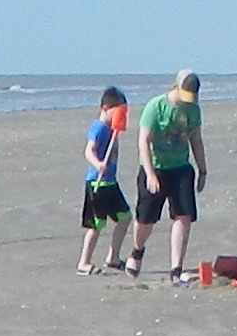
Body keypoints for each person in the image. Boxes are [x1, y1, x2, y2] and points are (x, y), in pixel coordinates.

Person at [141, 69, 203, 276]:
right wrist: (150, 173)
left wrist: (202, 169)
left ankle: (176, 268)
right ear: (176, 87)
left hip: (181, 167)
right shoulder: (156, 107)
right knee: (146, 220)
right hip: (156, 167)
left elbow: (196, 140)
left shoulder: (193, 110)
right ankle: (137, 251)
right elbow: (143, 141)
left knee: (184, 216)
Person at [76, 86, 133, 273]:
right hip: (97, 183)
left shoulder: (112, 130)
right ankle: (84, 262)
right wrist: (98, 164)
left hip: (110, 183)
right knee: (96, 225)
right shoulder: (99, 128)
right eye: (118, 112)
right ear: (106, 108)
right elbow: (88, 150)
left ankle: (113, 257)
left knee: (125, 217)